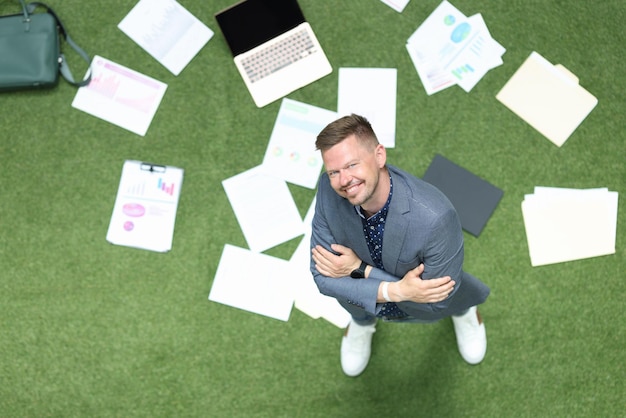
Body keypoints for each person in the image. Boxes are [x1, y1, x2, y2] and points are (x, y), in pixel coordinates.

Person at [310, 114, 490, 377]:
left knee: (452, 300)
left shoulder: (436, 217)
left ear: (379, 155)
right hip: (367, 298)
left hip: (427, 301)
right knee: (358, 307)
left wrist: (360, 269)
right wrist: (396, 290)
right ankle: (362, 322)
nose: (343, 180)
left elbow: (435, 301)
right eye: (334, 172)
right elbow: (322, 279)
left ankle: (464, 313)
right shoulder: (327, 188)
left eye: (352, 165)